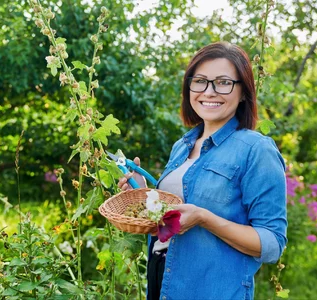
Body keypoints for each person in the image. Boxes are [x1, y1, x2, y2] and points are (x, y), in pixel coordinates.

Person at [118, 42, 287, 300]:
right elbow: (171, 219)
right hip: (162, 279)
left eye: (223, 82)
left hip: (211, 290)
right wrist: (144, 195)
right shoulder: (182, 145)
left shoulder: (256, 149)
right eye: (200, 81)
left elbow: (272, 244)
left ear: (243, 92)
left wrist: (204, 218)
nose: (209, 91)